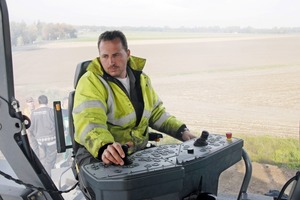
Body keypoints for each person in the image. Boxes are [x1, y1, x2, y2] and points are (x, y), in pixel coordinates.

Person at [73, 30, 196, 198]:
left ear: (128, 54)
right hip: (98, 154)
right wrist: (104, 147)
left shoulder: (141, 79)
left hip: (134, 153)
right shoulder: (90, 81)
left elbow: (156, 113)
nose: (110, 62)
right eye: (105, 56)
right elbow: (89, 121)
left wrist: (182, 131)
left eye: (116, 55)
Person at [29, 95, 57, 176]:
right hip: (51, 140)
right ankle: (48, 176)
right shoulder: (51, 111)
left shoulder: (33, 113)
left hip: (40, 141)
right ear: (47, 101)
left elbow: (31, 128)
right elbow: (57, 124)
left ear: (39, 102)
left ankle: (44, 173)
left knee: (43, 158)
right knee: (50, 160)